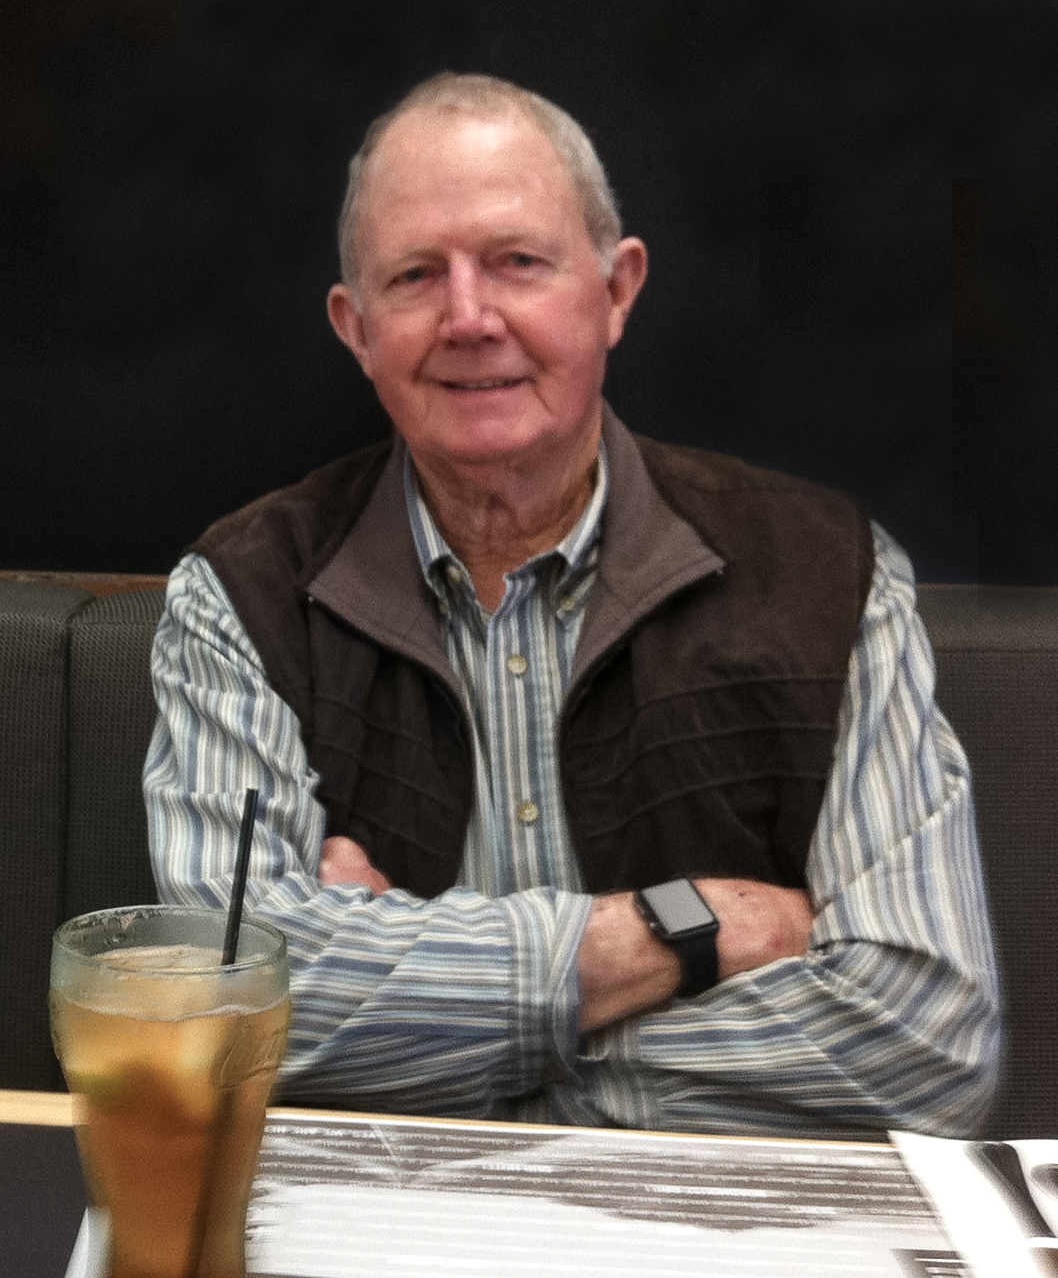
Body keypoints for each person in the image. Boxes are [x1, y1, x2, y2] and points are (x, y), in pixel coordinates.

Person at [145, 72, 1001, 1138]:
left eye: (517, 261)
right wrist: (679, 932)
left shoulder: (827, 576)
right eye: (415, 275)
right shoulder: (240, 597)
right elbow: (225, 1013)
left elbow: (928, 1040)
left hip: (716, 1216)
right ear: (355, 329)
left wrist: (443, 1032)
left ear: (616, 291)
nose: (469, 317)